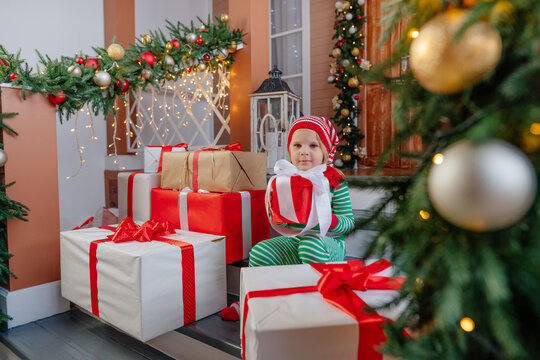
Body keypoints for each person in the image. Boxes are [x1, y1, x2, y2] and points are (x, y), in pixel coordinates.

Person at [249, 115, 355, 266]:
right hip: (295, 240)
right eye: (297, 145)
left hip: (328, 242)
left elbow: (349, 223)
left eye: (313, 146)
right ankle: (274, 287)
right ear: (289, 149)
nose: (304, 151)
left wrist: (326, 218)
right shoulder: (286, 181)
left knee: (309, 246)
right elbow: (285, 226)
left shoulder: (333, 180)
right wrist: (277, 211)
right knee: (260, 251)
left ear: (325, 150)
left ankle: (316, 286)